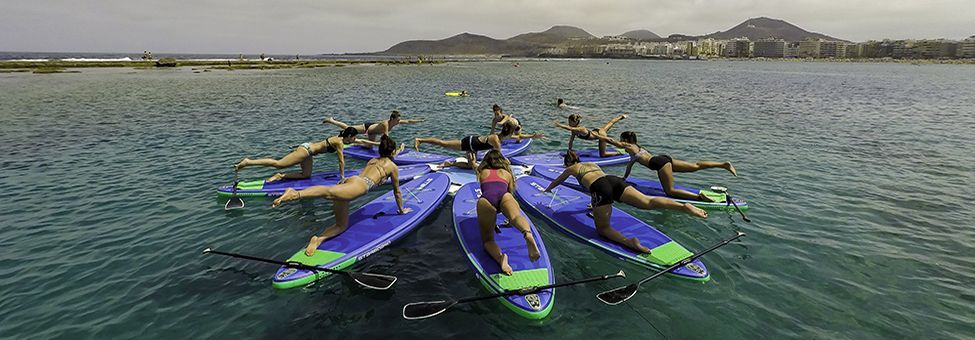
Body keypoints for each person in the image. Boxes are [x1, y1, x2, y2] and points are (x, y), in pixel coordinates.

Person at [272, 135, 412, 256]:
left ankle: (317, 239)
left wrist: (399, 150)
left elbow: (387, 159)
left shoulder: (373, 160)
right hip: (360, 186)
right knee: (329, 192)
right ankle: (295, 194)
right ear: (392, 152)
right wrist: (401, 210)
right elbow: (397, 191)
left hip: (352, 180)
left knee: (341, 226)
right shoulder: (393, 167)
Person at [543, 150, 708, 253]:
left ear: (569, 163)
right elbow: (603, 185)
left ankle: (630, 242)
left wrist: (548, 189)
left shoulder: (572, 168)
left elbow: (558, 180)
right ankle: (684, 206)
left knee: (603, 229)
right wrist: (595, 205)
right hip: (614, 181)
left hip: (600, 188)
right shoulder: (592, 163)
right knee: (648, 202)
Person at [593, 131, 737, 202]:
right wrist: (624, 177)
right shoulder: (637, 147)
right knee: (695, 165)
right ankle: (723, 164)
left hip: (659, 164)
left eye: (621, 139)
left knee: (670, 191)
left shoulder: (628, 146)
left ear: (625, 140)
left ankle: (698, 197)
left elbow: (610, 140)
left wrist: (597, 135)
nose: (620, 141)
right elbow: (631, 163)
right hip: (663, 158)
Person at [475, 150, 541, 275]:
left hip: (486, 200)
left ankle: (501, 259)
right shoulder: (507, 174)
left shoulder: (482, 172)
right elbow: (509, 192)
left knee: (488, 240)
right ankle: (527, 234)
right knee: (516, 216)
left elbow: (484, 186)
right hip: (505, 196)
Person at [234, 127, 374, 182]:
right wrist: (342, 177)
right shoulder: (339, 142)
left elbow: (361, 141)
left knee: (306, 175)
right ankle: (248, 162)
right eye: (353, 138)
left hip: (308, 153)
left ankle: (281, 176)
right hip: (306, 151)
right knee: (278, 164)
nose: (354, 140)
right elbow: (341, 161)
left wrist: (380, 144)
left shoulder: (341, 139)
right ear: (349, 136)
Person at [413, 123, 544, 168]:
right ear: (509, 133)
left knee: (471, 166)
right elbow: (499, 156)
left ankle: (449, 164)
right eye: (513, 132)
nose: (515, 135)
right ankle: (421, 140)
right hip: (468, 143)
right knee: (444, 143)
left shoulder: (500, 137)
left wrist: (533, 136)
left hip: (474, 146)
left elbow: (520, 137)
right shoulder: (496, 141)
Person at [323, 111, 424, 144]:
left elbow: (408, 121)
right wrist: (389, 147)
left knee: (369, 147)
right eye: (397, 119)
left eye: (399, 120)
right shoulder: (385, 123)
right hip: (368, 128)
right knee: (349, 128)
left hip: (373, 133)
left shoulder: (396, 122)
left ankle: (354, 144)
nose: (399, 121)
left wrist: (420, 121)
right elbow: (386, 135)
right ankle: (332, 120)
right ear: (392, 118)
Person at [553, 113, 627, 157]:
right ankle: (622, 116)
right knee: (611, 123)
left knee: (603, 155)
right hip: (597, 131)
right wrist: (569, 151)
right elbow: (571, 140)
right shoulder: (574, 130)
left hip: (601, 135)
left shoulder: (580, 129)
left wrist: (560, 125)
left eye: (570, 121)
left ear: (575, 122)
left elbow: (569, 128)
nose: (568, 123)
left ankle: (620, 152)